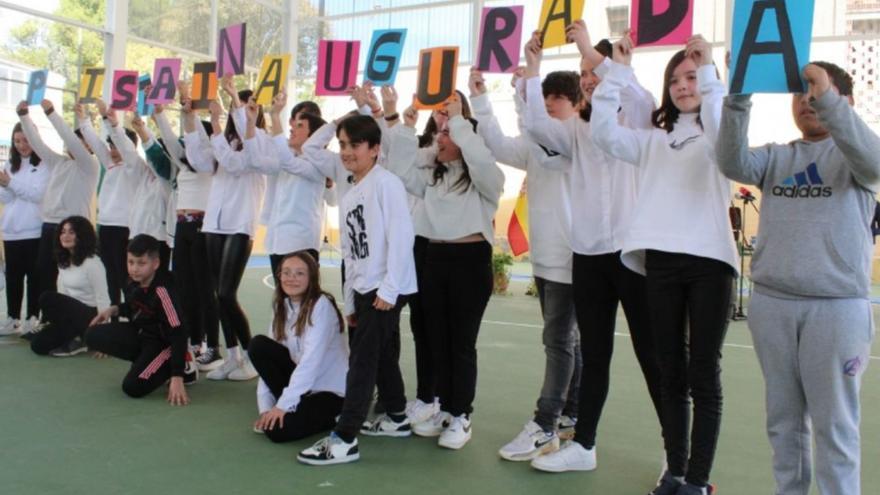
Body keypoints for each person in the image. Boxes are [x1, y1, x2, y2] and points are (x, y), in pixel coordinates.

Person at [717, 62, 879, 495]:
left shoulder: (857, 159)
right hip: (773, 306)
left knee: (835, 428)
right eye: (799, 94)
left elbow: (876, 163)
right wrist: (738, 97)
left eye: (816, 93)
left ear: (843, 102)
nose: (806, 101)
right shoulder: (778, 156)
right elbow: (731, 160)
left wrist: (827, 96)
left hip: (836, 310)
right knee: (784, 424)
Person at [590, 34, 737, 495]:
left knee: (702, 373)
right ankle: (675, 471)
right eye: (674, 79)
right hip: (661, 264)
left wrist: (710, 70)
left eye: (691, 76)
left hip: (710, 263)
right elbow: (603, 134)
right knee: (670, 371)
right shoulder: (654, 140)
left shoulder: (720, 131)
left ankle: (698, 480)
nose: (682, 86)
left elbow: (721, 132)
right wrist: (613, 72)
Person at [522, 24, 665, 475]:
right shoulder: (577, 131)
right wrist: (532, 70)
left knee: (651, 354)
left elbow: (637, 96)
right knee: (596, 353)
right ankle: (584, 445)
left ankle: (675, 453)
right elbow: (537, 125)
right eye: (582, 72)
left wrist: (595, 53)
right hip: (587, 256)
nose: (586, 77)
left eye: (591, 70)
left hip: (632, 254)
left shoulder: (638, 116)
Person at [467, 65, 583, 461]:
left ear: (577, 104)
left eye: (557, 100)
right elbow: (498, 144)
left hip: (573, 258)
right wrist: (481, 99)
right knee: (569, 341)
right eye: (545, 99)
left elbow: (537, 129)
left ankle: (545, 423)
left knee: (558, 342)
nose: (549, 106)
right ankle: (571, 415)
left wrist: (526, 87)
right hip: (546, 258)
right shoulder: (536, 144)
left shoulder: (580, 140)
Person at [384, 93, 504, 450]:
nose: (442, 138)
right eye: (440, 133)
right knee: (438, 339)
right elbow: (400, 170)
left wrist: (458, 122)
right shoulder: (432, 179)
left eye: (449, 134)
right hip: (435, 260)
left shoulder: (485, 177)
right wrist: (406, 127)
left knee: (462, 343)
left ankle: (461, 415)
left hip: (469, 262)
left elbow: (479, 157)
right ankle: (445, 408)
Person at [297, 115, 417, 466]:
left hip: (385, 285)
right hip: (365, 286)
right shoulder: (350, 191)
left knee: (362, 360)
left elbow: (401, 237)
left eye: (355, 145)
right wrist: (350, 297)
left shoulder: (387, 183)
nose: (347, 152)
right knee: (380, 354)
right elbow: (351, 251)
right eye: (343, 145)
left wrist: (390, 289)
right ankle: (396, 415)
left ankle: (345, 437)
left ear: (375, 149)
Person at [182, 76, 266, 381]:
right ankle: (232, 357)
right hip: (214, 224)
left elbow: (233, 163)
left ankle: (252, 357)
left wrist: (225, 109)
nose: (241, 111)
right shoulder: (225, 142)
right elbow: (200, 160)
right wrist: (190, 119)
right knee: (219, 296)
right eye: (239, 106)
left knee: (226, 293)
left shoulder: (259, 146)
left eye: (246, 108)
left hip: (239, 224)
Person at [15, 100, 99, 337]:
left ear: (89, 146)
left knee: (75, 278)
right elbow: (38, 144)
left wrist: (51, 113)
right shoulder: (59, 162)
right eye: (75, 141)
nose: (74, 144)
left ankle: (82, 325)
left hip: (75, 229)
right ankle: (48, 320)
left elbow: (71, 139)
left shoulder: (88, 165)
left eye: (82, 141)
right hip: (50, 226)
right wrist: (24, 116)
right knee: (45, 274)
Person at [249, 251, 347, 442]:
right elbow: (266, 367)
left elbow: (311, 363)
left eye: (299, 273)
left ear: (312, 277)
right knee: (258, 345)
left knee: (277, 431)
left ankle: (336, 415)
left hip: (329, 391)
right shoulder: (282, 306)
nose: (291, 278)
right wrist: (266, 409)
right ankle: (294, 407)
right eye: (286, 272)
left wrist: (283, 406)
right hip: (303, 386)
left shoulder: (321, 306)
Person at [86, 234, 196, 403]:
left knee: (132, 387)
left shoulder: (162, 292)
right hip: (143, 334)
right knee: (92, 335)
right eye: (131, 262)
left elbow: (179, 332)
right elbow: (134, 308)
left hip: (164, 343)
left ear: (156, 264)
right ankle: (145, 363)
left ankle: (180, 365)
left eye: (141, 263)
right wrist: (114, 310)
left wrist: (177, 376)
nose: (135, 269)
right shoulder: (133, 281)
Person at [154, 90, 219, 372]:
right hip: (182, 229)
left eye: (192, 135)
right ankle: (193, 341)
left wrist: (191, 116)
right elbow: (170, 141)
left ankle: (212, 346)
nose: (187, 141)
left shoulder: (212, 165)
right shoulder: (183, 164)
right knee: (183, 287)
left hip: (204, 229)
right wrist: (159, 114)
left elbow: (199, 141)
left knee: (206, 290)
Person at [76, 99, 143, 312]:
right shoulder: (110, 165)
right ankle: (114, 319)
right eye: (111, 146)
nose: (113, 150)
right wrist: (83, 119)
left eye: (117, 146)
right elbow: (95, 143)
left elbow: (123, 144)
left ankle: (134, 317)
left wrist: (109, 120)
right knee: (110, 279)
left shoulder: (134, 168)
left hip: (124, 229)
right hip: (105, 228)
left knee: (126, 279)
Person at [29, 216, 109, 357]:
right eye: (63, 232)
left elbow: (103, 298)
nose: (65, 236)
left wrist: (103, 339)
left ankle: (83, 338)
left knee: (46, 298)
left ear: (82, 236)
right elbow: (63, 295)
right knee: (37, 345)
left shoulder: (93, 263)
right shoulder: (63, 261)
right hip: (71, 317)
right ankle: (76, 339)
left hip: (90, 317)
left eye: (71, 232)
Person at [0, 122, 48, 336]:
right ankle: (12, 318)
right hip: (11, 231)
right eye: (17, 141)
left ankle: (32, 317)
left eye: (26, 140)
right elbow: (7, 198)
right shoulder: (10, 165)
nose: (22, 145)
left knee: (34, 276)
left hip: (35, 230)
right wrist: (4, 185)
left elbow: (38, 195)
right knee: (13, 277)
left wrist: (10, 183)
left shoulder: (46, 164)